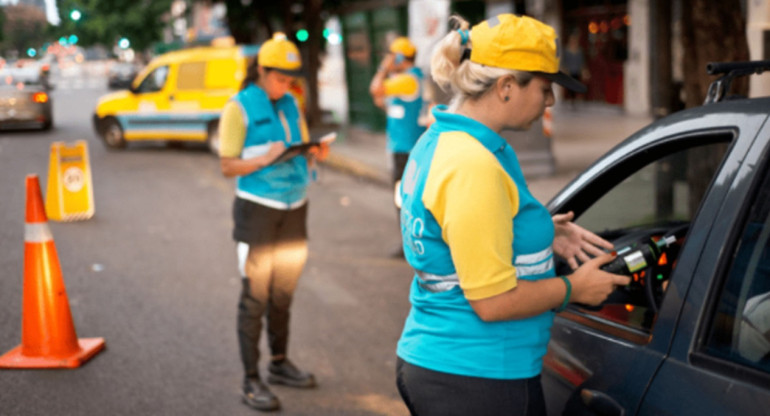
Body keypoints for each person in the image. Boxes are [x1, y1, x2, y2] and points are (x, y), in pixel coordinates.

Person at [394, 14, 631, 416]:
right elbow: (493, 302)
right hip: (478, 378)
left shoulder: (444, 141)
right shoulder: (473, 164)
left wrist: (537, 231)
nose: (551, 101)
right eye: (545, 88)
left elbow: (451, 234)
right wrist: (574, 287)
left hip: (446, 365)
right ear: (506, 87)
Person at [218, 32, 322, 412]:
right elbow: (228, 165)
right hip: (258, 211)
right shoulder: (238, 108)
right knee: (256, 298)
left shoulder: (292, 103)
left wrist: (313, 152)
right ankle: (251, 379)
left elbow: (302, 146)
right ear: (262, 70)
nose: (285, 86)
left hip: (295, 208)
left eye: (290, 79)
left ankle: (279, 364)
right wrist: (265, 158)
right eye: (279, 78)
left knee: (283, 294)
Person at [369, 37, 426, 257]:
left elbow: (375, 88)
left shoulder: (408, 80)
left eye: (392, 56)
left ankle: (411, 245)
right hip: (404, 148)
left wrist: (383, 68)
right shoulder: (406, 80)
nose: (389, 60)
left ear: (400, 57)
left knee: (404, 199)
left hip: (406, 150)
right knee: (407, 198)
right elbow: (385, 102)